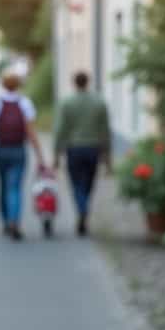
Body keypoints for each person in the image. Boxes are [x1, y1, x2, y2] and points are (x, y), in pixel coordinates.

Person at [0, 73, 46, 240]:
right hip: (19, 150)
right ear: (19, 85)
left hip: (1, 149)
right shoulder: (25, 103)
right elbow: (31, 132)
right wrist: (39, 155)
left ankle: (6, 221)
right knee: (15, 187)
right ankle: (15, 220)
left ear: (3, 85)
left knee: (3, 186)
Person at [53, 71, 113, 237]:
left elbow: (60, 130)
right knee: (89, 183)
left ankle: (81, 209)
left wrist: (56, 154)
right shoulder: (99, 102)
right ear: (88, 82)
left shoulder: (67, 103)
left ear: (74, 83)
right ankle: (84, 209)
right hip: (93, 149)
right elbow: (105, 131)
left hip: (74, 149)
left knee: (76, 183)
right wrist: (108, 158)